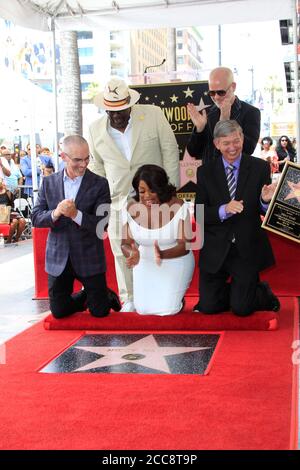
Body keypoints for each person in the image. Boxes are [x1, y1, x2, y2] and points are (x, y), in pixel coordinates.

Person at [88, 77, 179, 312]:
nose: (116, 115)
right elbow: (96, 166)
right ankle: (129, 298)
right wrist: (102, 199)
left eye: (121, 109)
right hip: (117, 200)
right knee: (122, 249)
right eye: (111, 110)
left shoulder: (153, 115)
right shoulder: (94, 128)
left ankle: (163, 294)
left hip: (153, 197)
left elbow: (169, 150)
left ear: (130, 104)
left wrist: (170, 194)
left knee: (157, 245)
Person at [193, 120, 280, 317]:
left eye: (236, 141)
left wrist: (265, 200)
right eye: (226, 143)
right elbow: (199, 213)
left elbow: (264, 209)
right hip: (216, 247)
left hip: (245, 247)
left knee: (242, 309)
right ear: (216, 144)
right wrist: (223, 209)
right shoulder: (205, 171)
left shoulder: (259, 167)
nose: (232, 147)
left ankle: (261, 293)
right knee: (209, 308)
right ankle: (237, 293)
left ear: (242, 138)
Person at [31, 135, 121, 319]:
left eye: (87, 158)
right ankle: (88, 294)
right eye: (77, 160)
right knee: (59, 311)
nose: (84, 164)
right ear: (63, 157)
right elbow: (35, 217)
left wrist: (75, 214)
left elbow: (102, 224)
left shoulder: (99, 183)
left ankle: (102, 296)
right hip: (59, 257)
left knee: (100, 312)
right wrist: (56, 213)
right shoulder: (48, 183)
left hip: (88, 255)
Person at [121, 164, 194, 315]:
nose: (147, 196)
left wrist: (162, 254)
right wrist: (131, 253)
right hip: (144, 261)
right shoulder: (130, 207)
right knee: (143, 310)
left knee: (167, 310)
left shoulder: (178, 205)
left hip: (175, 259)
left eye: (152, 190)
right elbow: (125, 244)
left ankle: (178, 301)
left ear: (161, 189)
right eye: (142, 191)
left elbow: (184, 245)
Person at [186, 67, 261, 164]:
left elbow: (248, 149)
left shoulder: (250, 112)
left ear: (233, 87)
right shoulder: (207, 113)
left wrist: (225, 123)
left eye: (221, 92)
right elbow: (193, 152)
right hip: (209, 176)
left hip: (236, 176)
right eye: (212, 93)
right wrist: (199, 129)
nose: (216, 97)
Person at [0, 178, 26, 244]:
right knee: (14, 222)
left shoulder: (8, 192)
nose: (2, 182)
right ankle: (9, 240)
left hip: (9, 212)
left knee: (22, 221)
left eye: (2, 181)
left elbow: (12, 204)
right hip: (1, 215)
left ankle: (16, 239)